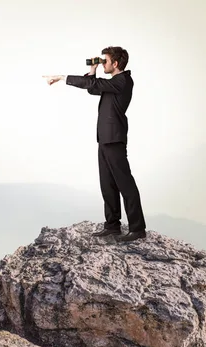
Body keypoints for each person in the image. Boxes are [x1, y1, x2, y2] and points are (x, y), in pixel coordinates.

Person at [43, 46, 146, 242]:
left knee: (125, 183)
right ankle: (112, 225)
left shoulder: (122, 81)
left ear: (115, 64)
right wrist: (93, 70)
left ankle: (137, 228)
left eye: (105, 61)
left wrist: (62, 77)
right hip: (105, 138)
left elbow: (93, 84)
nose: (103, 63)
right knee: (107, 184)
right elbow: (92, 88)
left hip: (114, 138)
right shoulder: (113, 83)